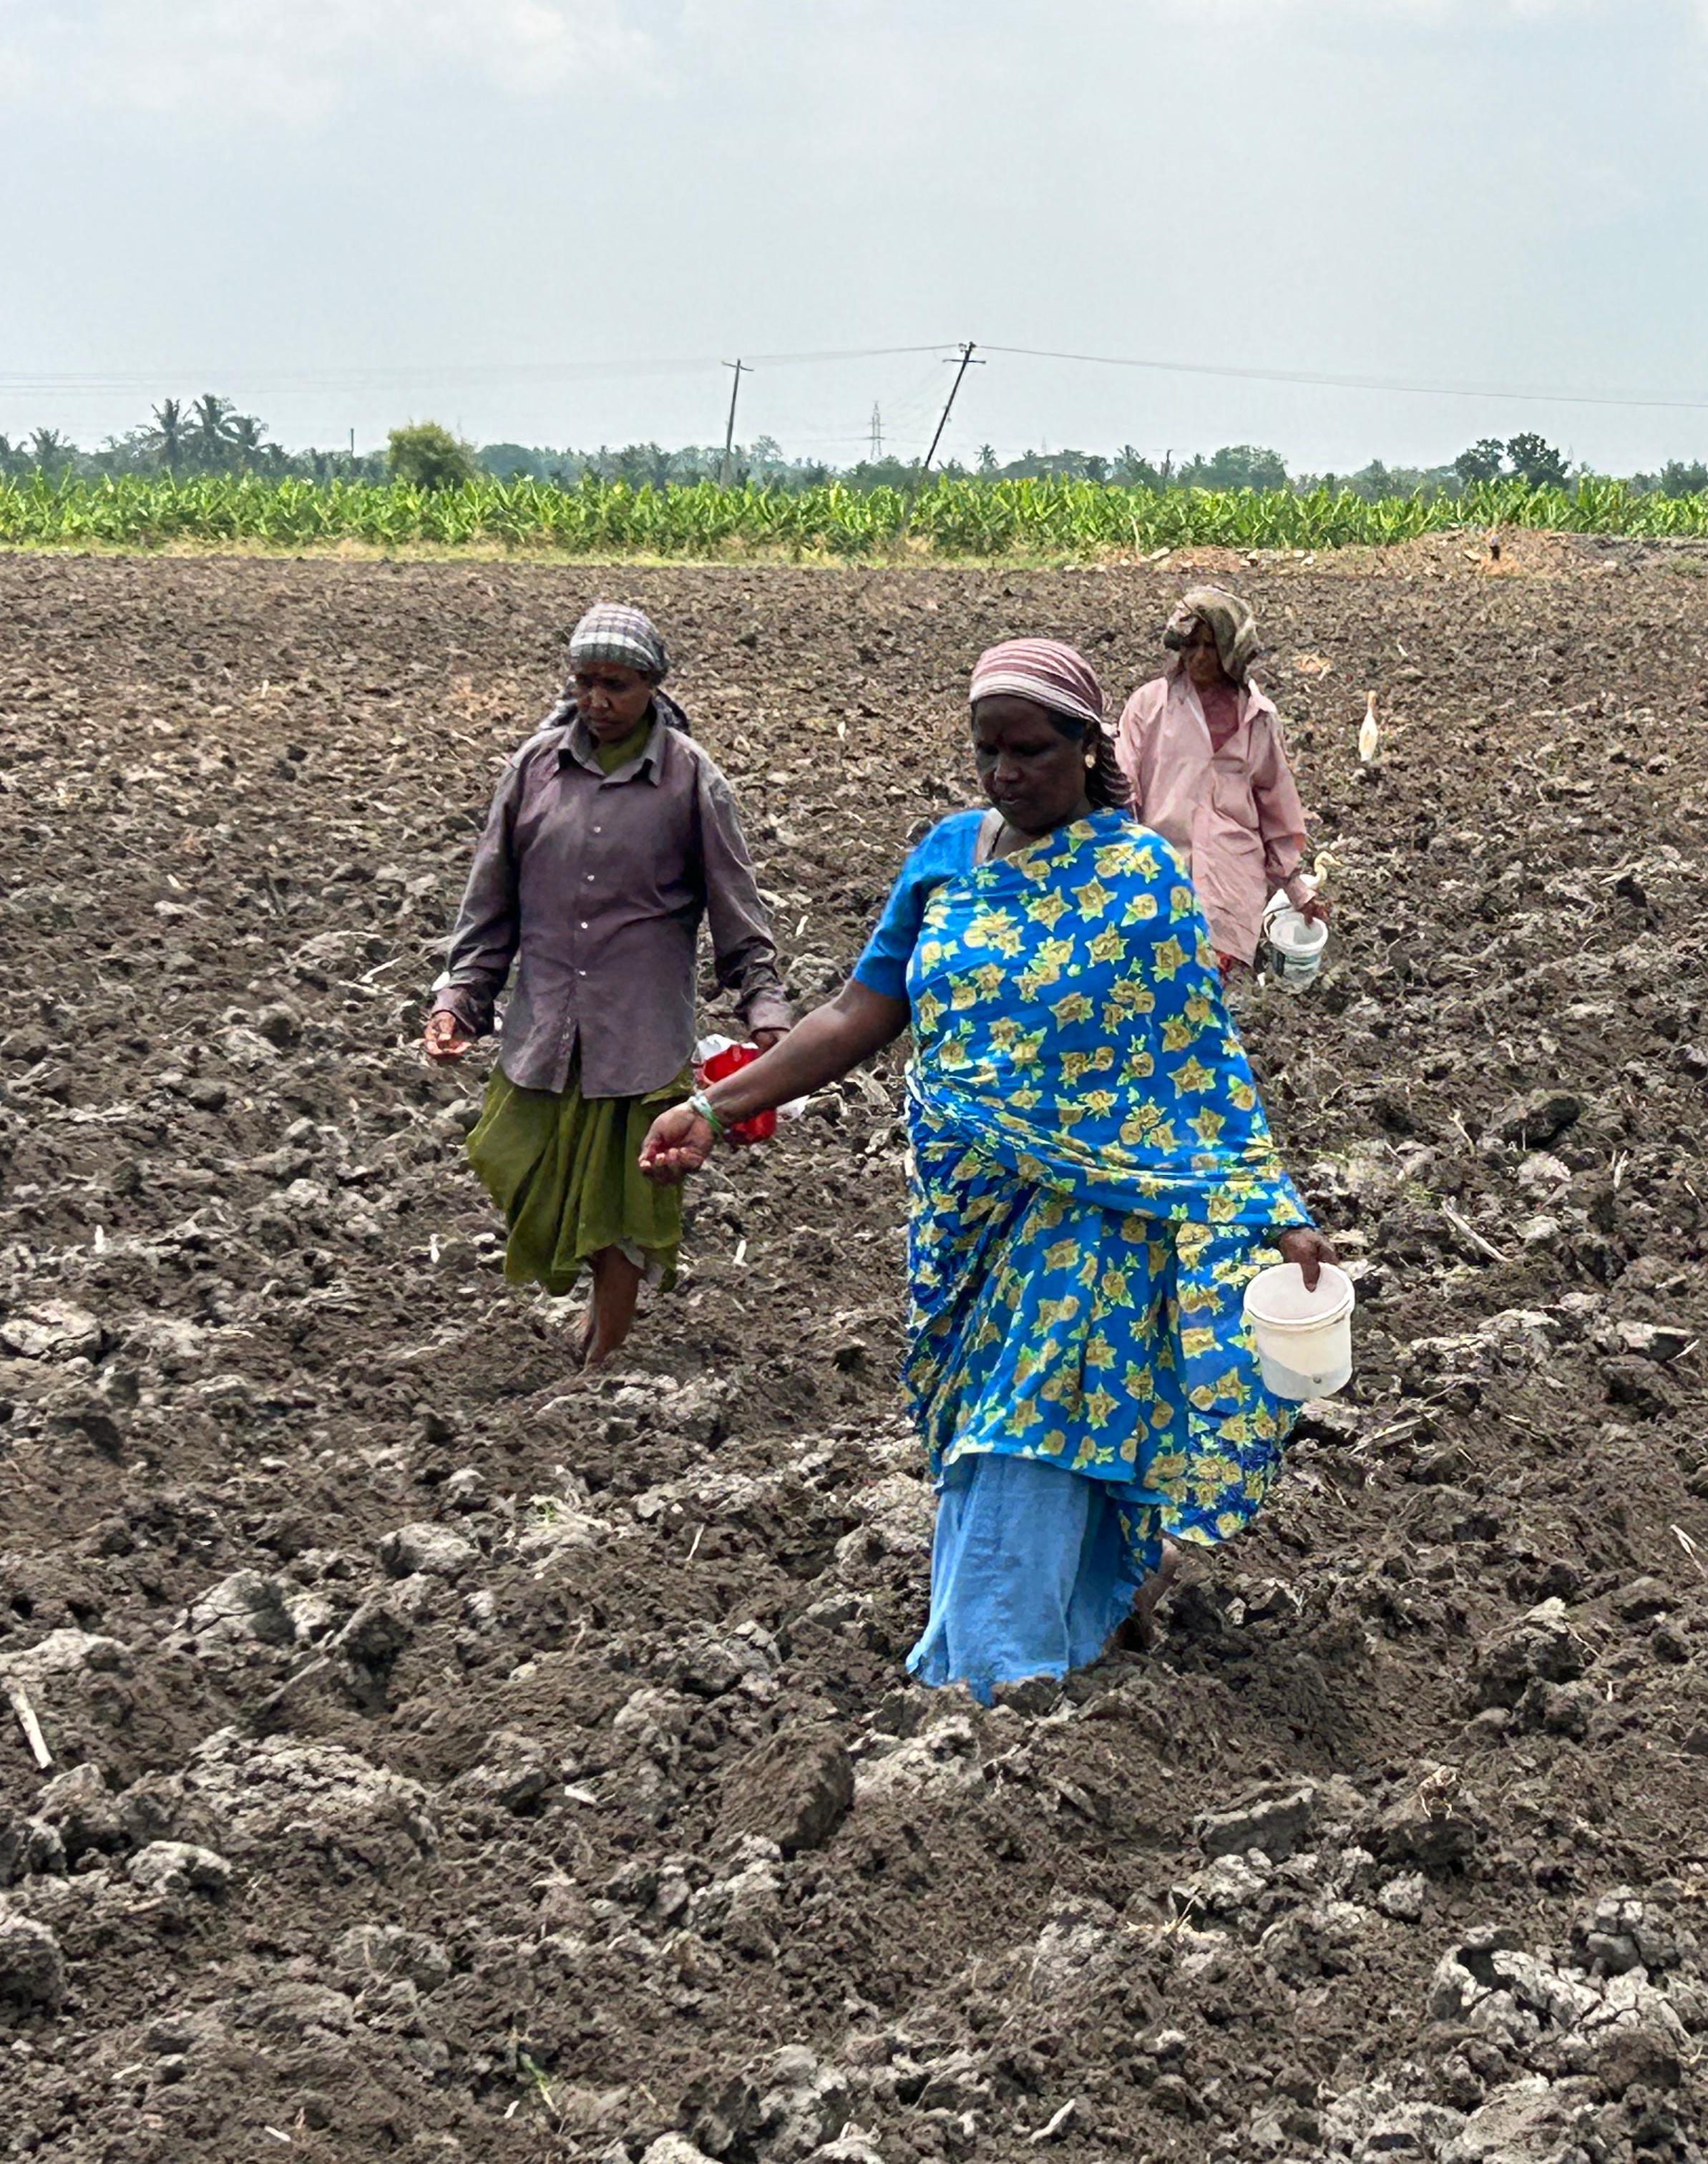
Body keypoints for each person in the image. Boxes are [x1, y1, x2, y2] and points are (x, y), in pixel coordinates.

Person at [640, 638, 1340, 1705]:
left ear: (1087, 749)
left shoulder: (1140, 877)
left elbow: (1197, 1061)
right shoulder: (948, 857)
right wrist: (713, 1107)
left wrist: (1272, 1211)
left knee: (1030, 1413)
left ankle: (994, 1671)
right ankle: (1074, 1625)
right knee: (1000, 1416)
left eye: (1029, 751)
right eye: (987, 752)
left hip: (1096, 1211)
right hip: (968, 1213)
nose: (1005, 773)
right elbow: (859, 1011)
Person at [424, 603, 791, 1366]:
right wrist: (460, 1000)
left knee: (622, 1202)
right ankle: (598, 1325)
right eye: (585, 683)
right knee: (517, 1163)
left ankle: (605, 1354)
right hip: (545, 1028)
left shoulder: (691, 779)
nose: (597, 700)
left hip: (639, 1034)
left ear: (653, 686)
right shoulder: (534, 769)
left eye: (616, 686)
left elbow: (737, 909)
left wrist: (765, 1011)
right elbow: (490, 902)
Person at [1118, 585, 1326, 978]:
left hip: (1231, 882)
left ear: (1232, 651)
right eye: (1191, 644)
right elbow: (1123, 789)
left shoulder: (1258, 719)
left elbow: (1276, 807)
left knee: (1209, 988)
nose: (1198, 656)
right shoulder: (1150, 706)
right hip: (1157, 875)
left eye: (1210, 646)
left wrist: (1297, 890)